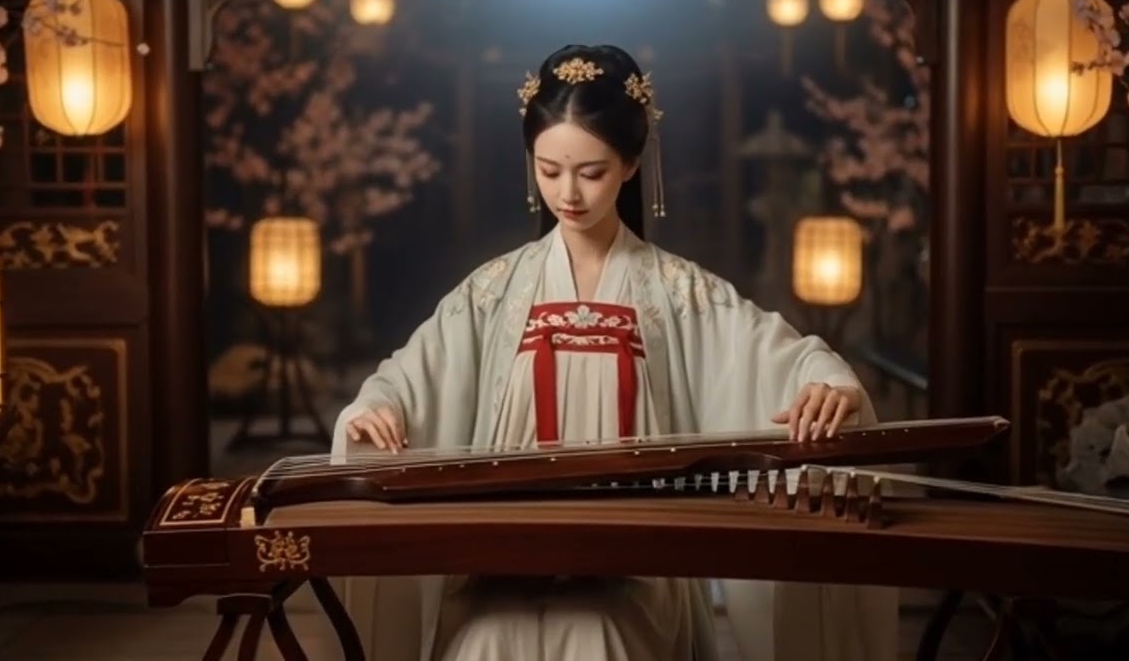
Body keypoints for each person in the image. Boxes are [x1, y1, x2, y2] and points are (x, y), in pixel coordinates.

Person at [330, 44, 897, 661]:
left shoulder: (678, 291)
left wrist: (827, 384)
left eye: (591, 172)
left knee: (594, 636)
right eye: (548, 170)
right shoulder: (495, 291)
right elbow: (410, 375)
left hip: (635, 561)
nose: (567, 194)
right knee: (487, 640)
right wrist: (378, 406)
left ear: (630, 164)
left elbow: (777, 354)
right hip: (502, 556)